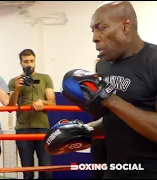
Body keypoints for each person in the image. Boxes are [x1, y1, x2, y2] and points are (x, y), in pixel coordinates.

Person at [62, 1, 157, 179]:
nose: (95, 38)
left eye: (101, 28)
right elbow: (113, 119)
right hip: (114, 170)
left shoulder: (153, 61)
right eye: (93, 30)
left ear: (125, 25)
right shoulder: (104, 66)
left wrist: (110, 99)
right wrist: (86, 130)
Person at [8, 49, 56, 179]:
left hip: (42, 127)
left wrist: (43, 102)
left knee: (46, 171)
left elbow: (52, 103)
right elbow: (10, 106)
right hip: (23, 129)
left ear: (35, 61)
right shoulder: (14, 81)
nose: (29, 64)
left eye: (31, 61)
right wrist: (17, 89)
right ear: (21, 63)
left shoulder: (45, 78)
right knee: (27, 172)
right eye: (26, 61)